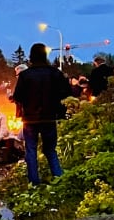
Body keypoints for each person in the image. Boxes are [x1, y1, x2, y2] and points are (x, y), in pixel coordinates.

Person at [11, 42, 71, 185]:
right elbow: (67, 93)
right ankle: (59, 178)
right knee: (50, 150)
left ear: (31, 56)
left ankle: (34, 183)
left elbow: (17, 96)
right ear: (45, 55)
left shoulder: (25, 75)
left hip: (30, 119)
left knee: (31, 151)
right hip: (50, 118)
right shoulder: (55, 73)